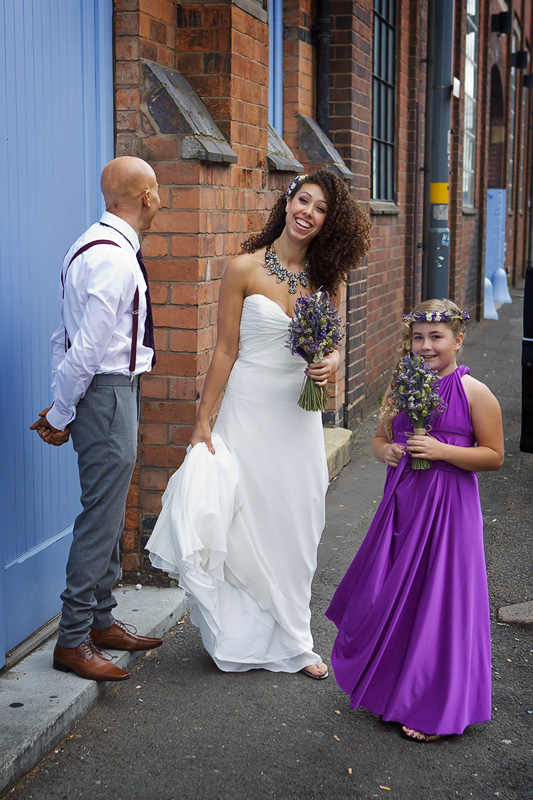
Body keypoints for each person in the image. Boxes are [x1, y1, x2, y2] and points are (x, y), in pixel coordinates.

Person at [147, 170, 371, 678]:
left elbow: (332, 344)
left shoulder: (325, 279)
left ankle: (296, 636)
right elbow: (225, 350)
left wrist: (332, 362)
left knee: (299, 517)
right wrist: (203, 421)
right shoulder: (243, 268)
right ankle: (249, 639)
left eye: (319, 209)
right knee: (245, 518)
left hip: (297, 416)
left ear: (326, 224)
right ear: (287, 200)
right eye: (303, 200)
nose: (307, 212)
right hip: (247, 410)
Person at [326, 299, 504, 741]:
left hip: (449, 510)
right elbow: (381, 439)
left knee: (440, 600)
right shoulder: (398, 387)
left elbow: (495, 456)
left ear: (458, 340)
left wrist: (442, 451)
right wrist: (385, 452)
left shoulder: (475, 393)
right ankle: (392, 687)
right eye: (418, 338)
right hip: (403, 505)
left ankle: (434, 705)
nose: (426, 346)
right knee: (395, 593)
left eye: (437, 337)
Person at [31, 156, 164, 681]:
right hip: (106, 392)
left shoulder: (87, 246)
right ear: (146, 196)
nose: (160, 198)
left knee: (107, 508)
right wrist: (63, 411)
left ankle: (102, 621)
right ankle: (72, 639)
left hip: (107, 391)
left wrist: (62, 402)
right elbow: (84, 348)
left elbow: (60, 338)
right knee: (100, 517)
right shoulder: (113, 259)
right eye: (156, 190)